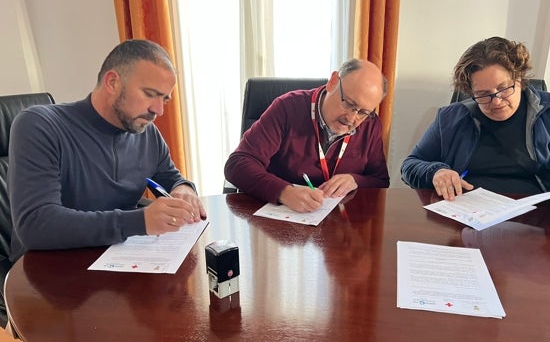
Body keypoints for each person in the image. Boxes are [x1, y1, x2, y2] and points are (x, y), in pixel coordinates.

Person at [8, 39, 206, 262]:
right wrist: (139, 222)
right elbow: (36, 225)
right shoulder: (39, 125)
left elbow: (171, 178)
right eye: (150, 94)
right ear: (112, 82)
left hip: (117, 262)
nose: (158, 110)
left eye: (165, 99)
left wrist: (184, 188)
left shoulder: (147, 133)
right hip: (49, 269)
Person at [401, 36, 550, 201]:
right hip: (467, 216)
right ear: (470, 92)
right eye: (483, 94)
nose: (496, 101)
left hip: (539, 219)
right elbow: (410, 166)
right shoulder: (450, 118)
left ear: (520, 79)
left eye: (503, 88)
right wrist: (435, 172)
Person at [224, 59, 390, 212]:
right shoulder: (287, 108)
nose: (352, 118)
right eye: (349, 104)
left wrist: (355, 180)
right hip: (281, 224)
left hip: (337, 228)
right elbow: (237, 165)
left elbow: (381, 181)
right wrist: (284, 192)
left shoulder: (370, 124)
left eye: (363, 112)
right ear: (332, 82)